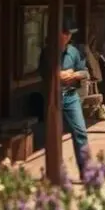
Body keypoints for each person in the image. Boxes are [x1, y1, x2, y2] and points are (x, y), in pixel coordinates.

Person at [39, 22, 91, 180]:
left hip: (70, 96)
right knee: (54, 134)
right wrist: (58, 75)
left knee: (80, 131)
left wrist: (74, 75)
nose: (68, 36)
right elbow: (43, 73)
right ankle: (55, 171)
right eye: (65, 33)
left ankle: (86, 171)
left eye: (70, 34)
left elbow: (85, 72)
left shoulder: (74, 52)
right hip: (53, 97)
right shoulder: (47, 53)